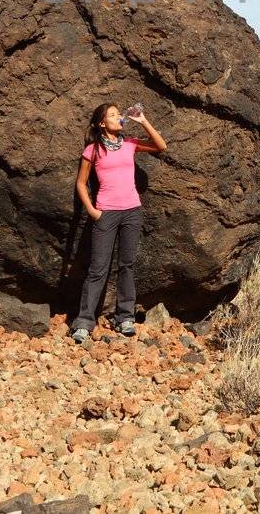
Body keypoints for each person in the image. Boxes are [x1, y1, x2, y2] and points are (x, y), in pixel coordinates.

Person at [69, 102, 166, 343]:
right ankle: (83, 322)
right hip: (106, 213)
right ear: (103, 123)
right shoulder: (92, 150)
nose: (118, 117)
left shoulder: (130, 144)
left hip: (132, 211)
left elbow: (160, 146)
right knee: (98, 268)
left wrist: (142, 120)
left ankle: (125, 318)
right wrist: (92, 211)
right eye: (112, 115)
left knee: (127, 265)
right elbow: (81, 183)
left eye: (118, 113)